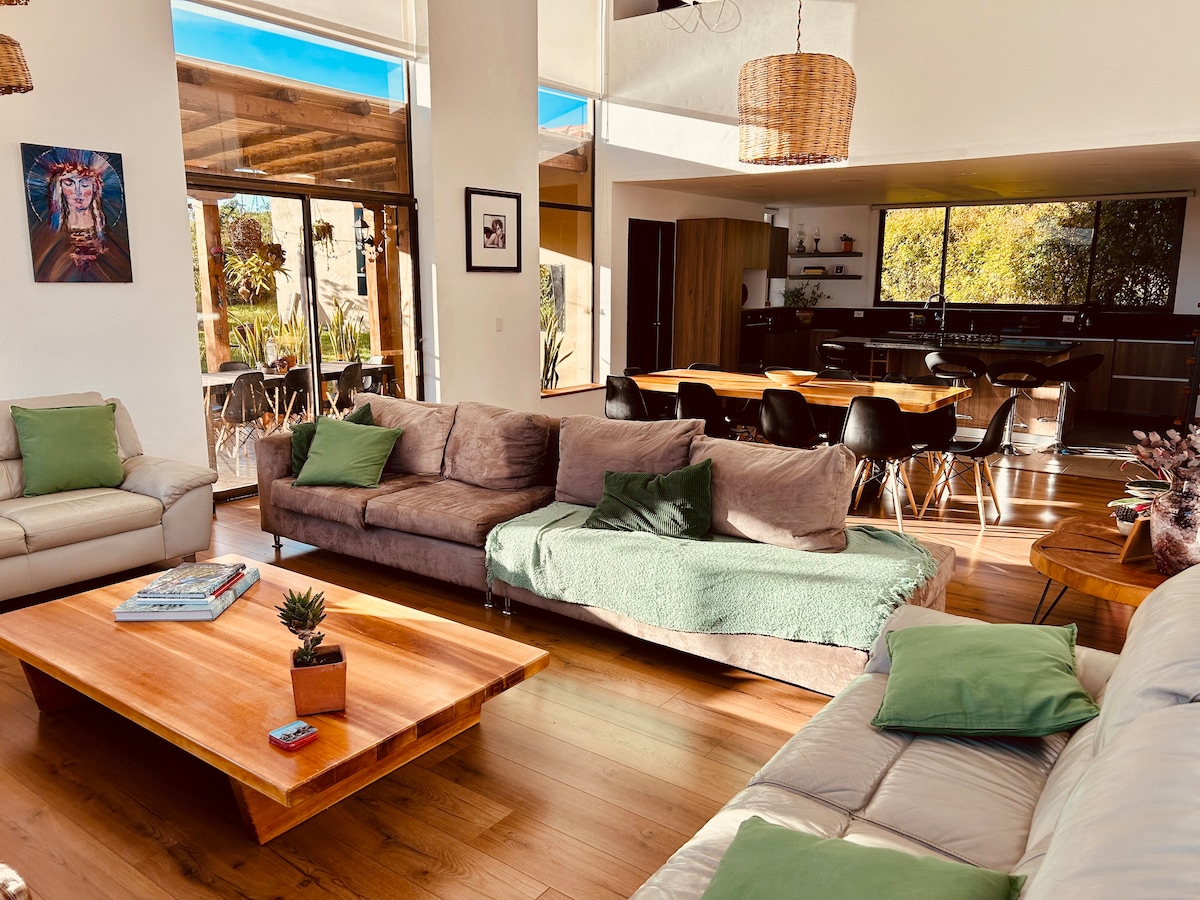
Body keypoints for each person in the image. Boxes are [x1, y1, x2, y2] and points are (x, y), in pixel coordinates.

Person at [23, 145, 132, 283]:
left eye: (85, 184)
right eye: (69, 184)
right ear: (59, 189)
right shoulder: (46, 239)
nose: (78, 191)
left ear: (95, 188)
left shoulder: (114, 240)